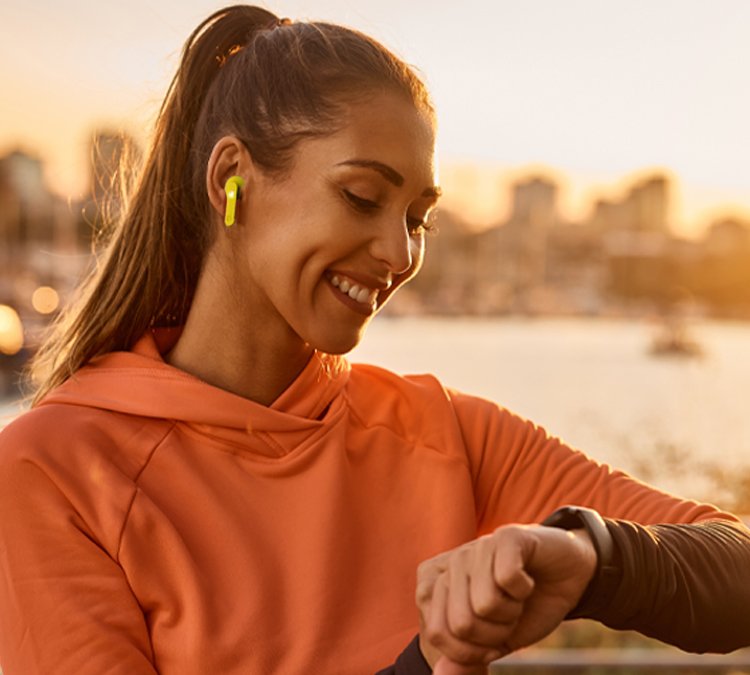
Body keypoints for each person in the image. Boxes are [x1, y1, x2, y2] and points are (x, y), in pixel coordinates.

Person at [0, 5, 748, 675]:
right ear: (233, 177)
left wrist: (593, 557)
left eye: (418, 217)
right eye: (363, 197)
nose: (399, 253)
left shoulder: (447, 431)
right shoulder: (54, 471)